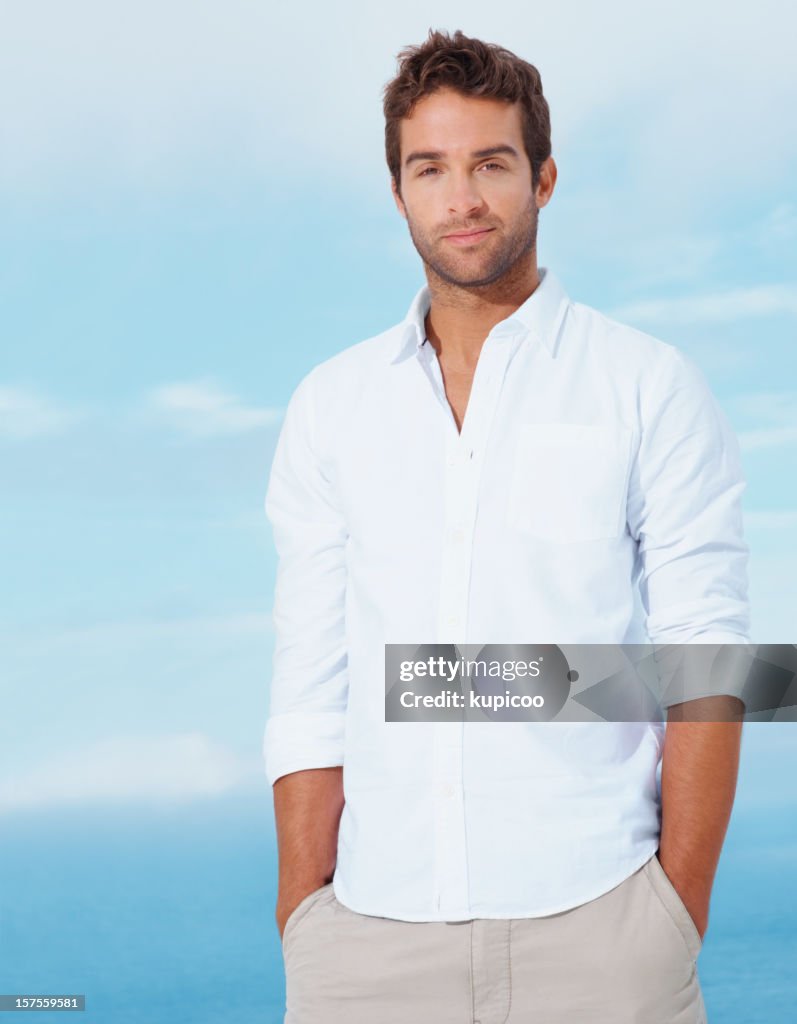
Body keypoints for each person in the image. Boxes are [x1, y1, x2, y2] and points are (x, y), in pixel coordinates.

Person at [263, 28, 749, 1024]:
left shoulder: (646, 387)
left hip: (601, 930)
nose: (462, 198)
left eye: (490, 163)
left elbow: (706, 662)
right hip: (368, 940)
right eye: (429, 168)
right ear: (396, 190)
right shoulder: (330, 405)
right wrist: (303, 916)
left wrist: (671, 911)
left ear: (543, 177)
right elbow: (311, 681)